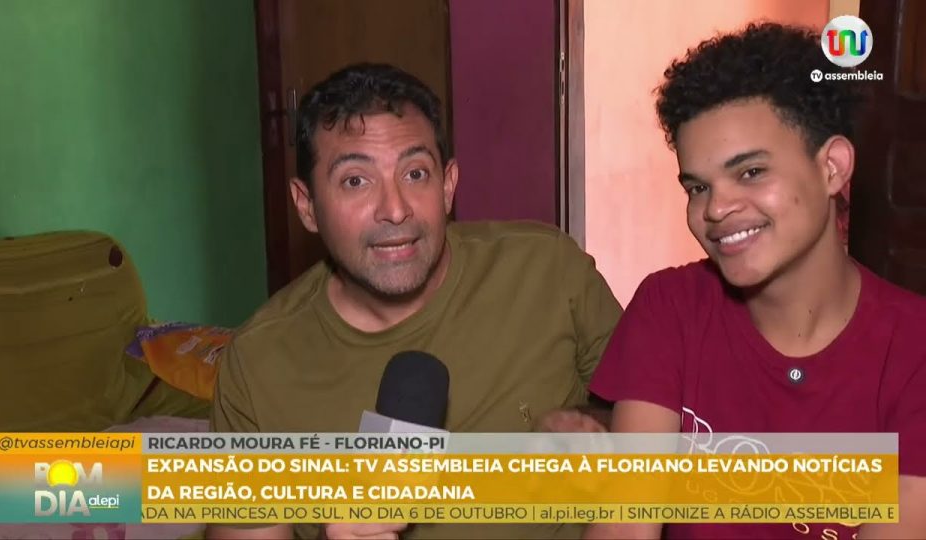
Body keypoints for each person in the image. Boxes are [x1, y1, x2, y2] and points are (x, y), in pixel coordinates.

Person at [205, 63, 623, 540]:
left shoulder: (548, 270)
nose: (395, 209)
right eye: (356, 181)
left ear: (447, 186)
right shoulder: (257, 364)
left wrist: (590, 428)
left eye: (416, 173)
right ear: (306, 206)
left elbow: (659, 418)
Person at [554, 22, 926, 539]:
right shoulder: (670, 307)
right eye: (698, 187)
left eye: (750, 172)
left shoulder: (912, 349)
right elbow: (624, 525)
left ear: (833, 168)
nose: (716, 209)